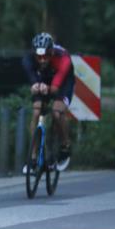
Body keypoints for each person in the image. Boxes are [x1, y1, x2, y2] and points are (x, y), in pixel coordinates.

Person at [23, 32, 74, 168]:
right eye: (39, 57)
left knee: (57, 112)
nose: (42, 60)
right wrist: (35, 84)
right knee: (36, 112)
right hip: (44, 78)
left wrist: (49, 88)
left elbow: (56, 87)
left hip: (63, 82)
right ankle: (33, 157)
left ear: (52, 52)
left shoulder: (63, 59)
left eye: (46, 56)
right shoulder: (28, 59)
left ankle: (65, 145)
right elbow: (31, 76)